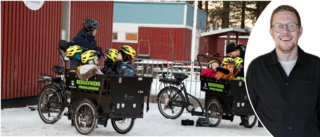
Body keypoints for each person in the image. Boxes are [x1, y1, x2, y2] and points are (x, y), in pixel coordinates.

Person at [246, 5, 320, 137]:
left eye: (291, 26)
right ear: (271, 32)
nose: (285, 31)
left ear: (300, 31)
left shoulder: (317, 67)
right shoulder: (256, 69)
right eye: (279, 26)